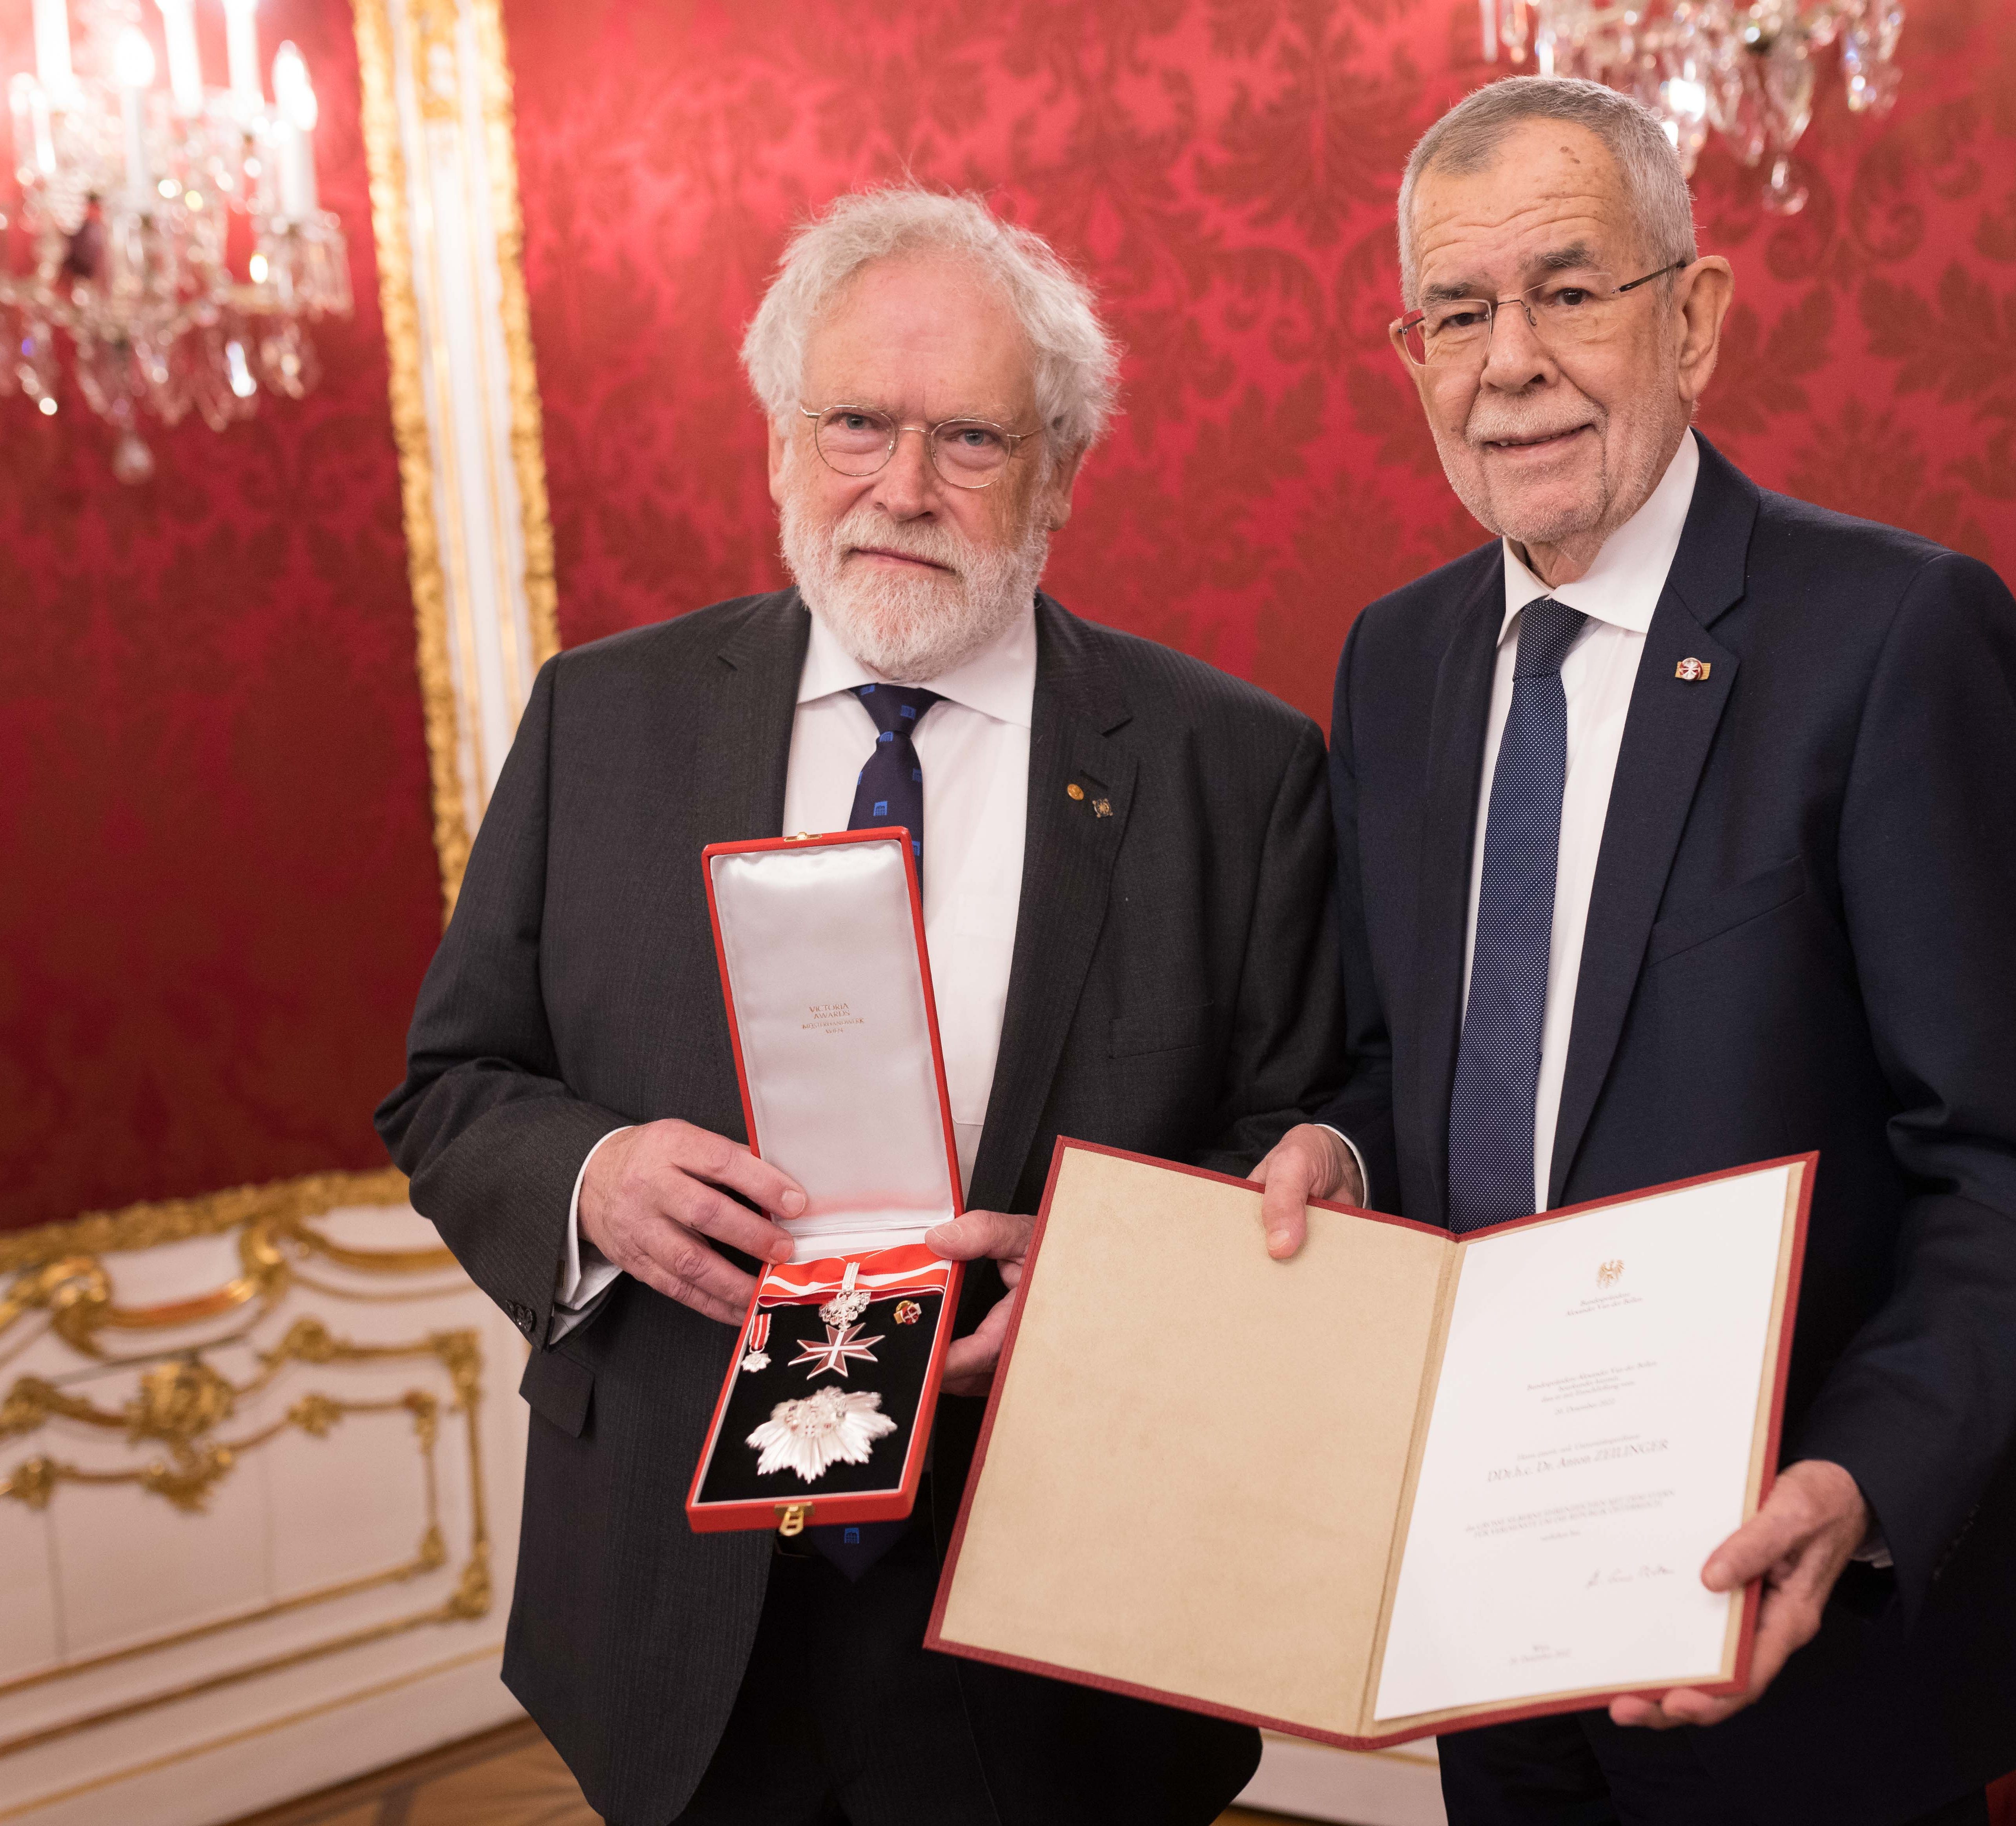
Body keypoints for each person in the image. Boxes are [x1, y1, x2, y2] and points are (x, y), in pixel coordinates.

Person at [377, 185, 1341, 1826]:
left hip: (1054, 1611)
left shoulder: (1229, 770)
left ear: (1059, 467)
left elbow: (1306, 1134)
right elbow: (455, 1084)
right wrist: (595, 1180)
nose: (902, 488)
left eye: (969, 438)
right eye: (854, 424)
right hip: (669, 1602)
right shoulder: (602, 720)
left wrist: (1117, 1293)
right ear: (777, 439)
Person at [1250, 77, 2016, 1826]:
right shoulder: (1395, 663)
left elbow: (2010, 1180)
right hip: (1496, 1616)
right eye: (1459, 313)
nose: (1511, 362)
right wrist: (1335, 1147)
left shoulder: (1890, 637)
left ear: (1693, 318)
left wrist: (1854, 1479)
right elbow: (1406, 1053)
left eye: (1569, 291)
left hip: (1801, 1631)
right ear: (1409, 352)